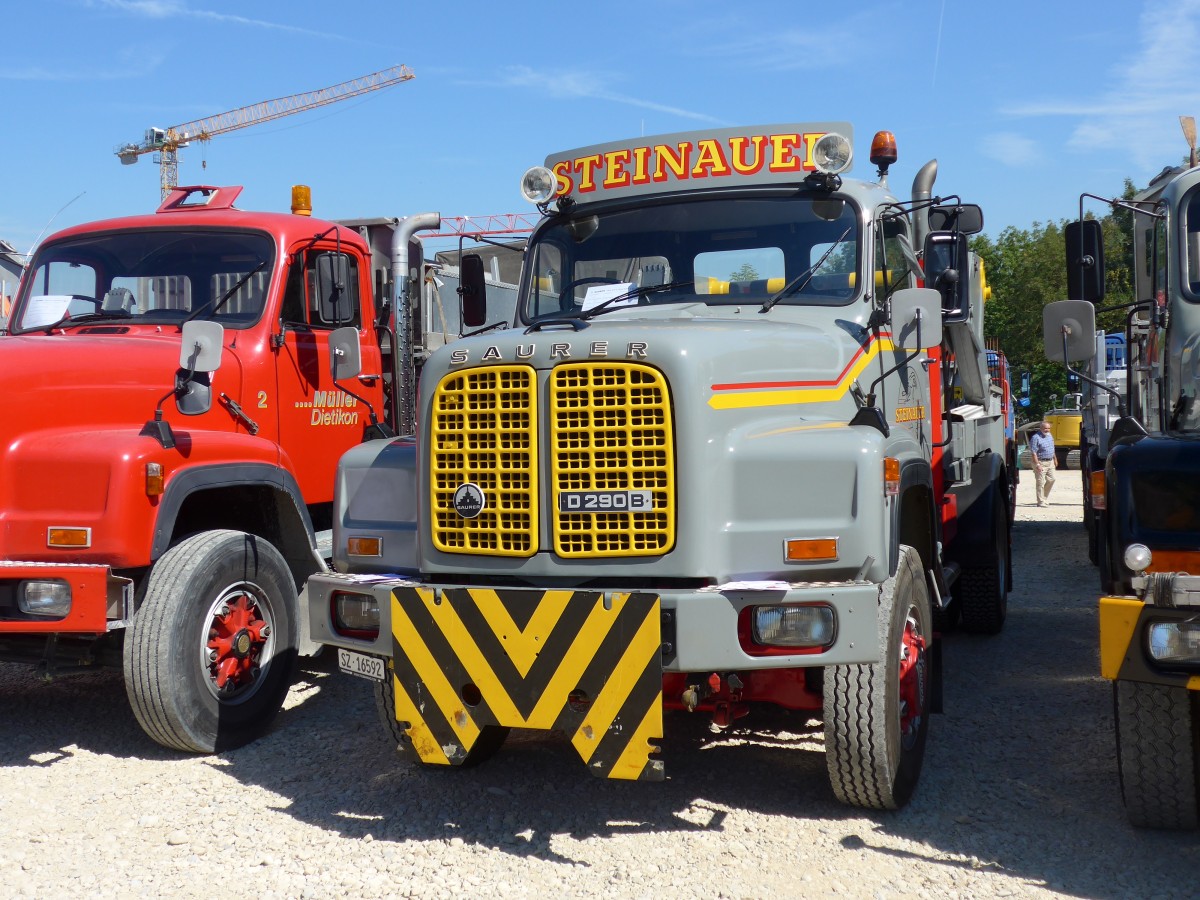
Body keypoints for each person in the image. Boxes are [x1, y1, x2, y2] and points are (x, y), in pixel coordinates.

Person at [1028, 421, 1056, 506]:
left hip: (1050, 461)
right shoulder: (1035, 438)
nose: (1047, 430)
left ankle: (1044, 498)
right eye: (1045, 428)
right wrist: (1037, 465)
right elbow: (1033, 452)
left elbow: (1052, 448)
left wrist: (1055, 459)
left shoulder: (1050, 435)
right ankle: (1040, 501)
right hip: (1040, 462)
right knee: (1040, 482)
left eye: (1048, 428)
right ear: (1041, 428)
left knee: (1052, 479)